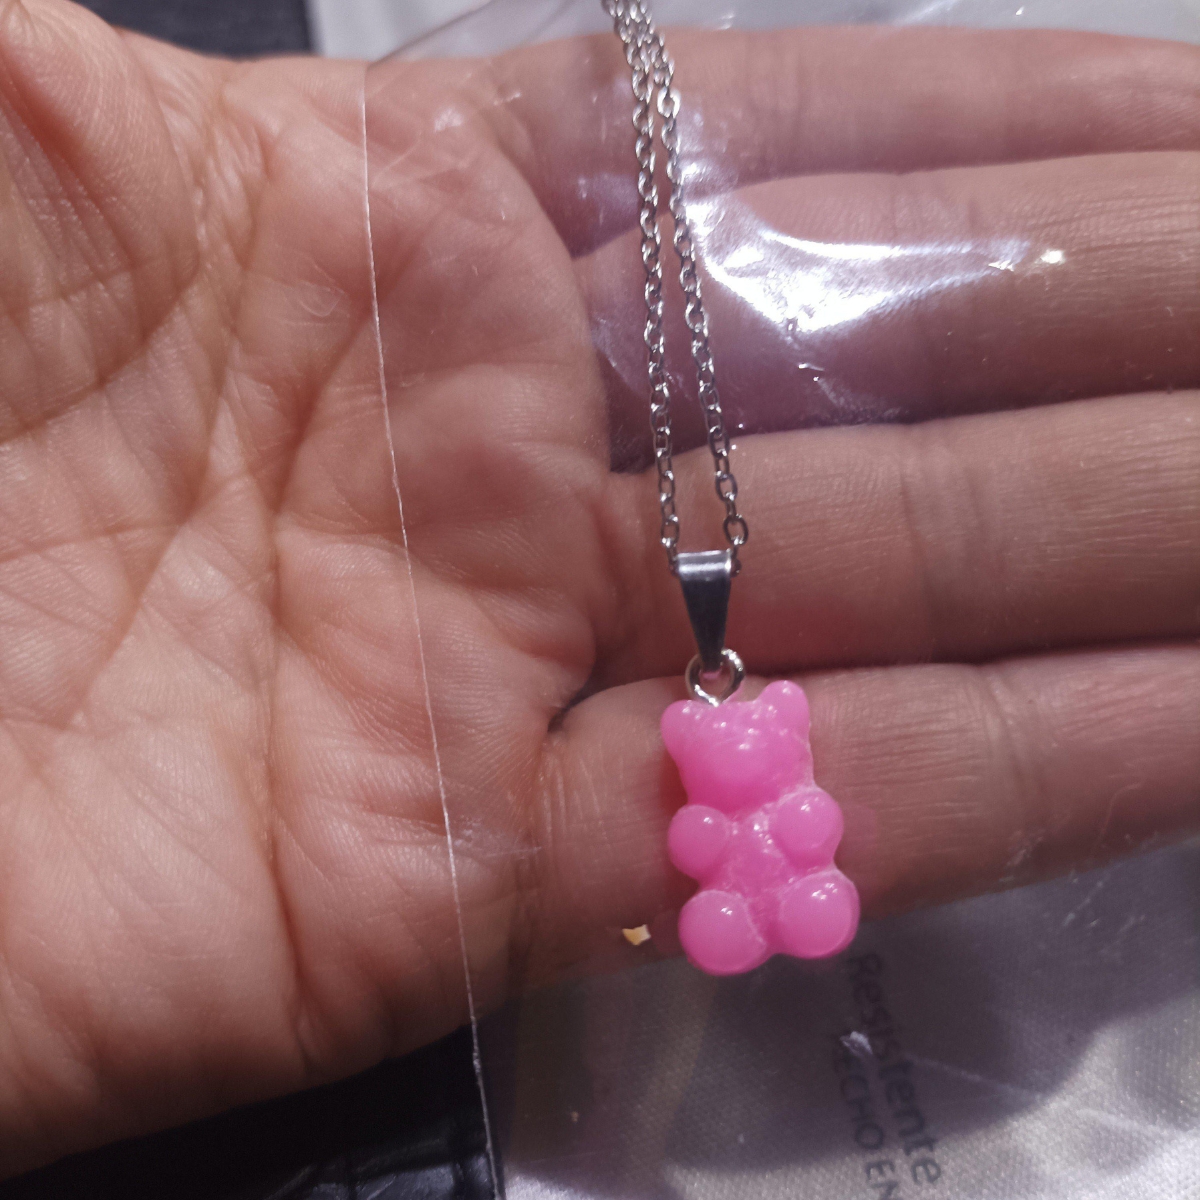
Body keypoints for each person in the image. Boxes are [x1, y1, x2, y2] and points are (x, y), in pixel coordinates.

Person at [0, 0, 1195, 1175]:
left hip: (788, 879)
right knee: (730, 907)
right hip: (720, 905)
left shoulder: (754, 718)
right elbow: (703, 830)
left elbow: (805, 821)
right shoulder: (700, 730)